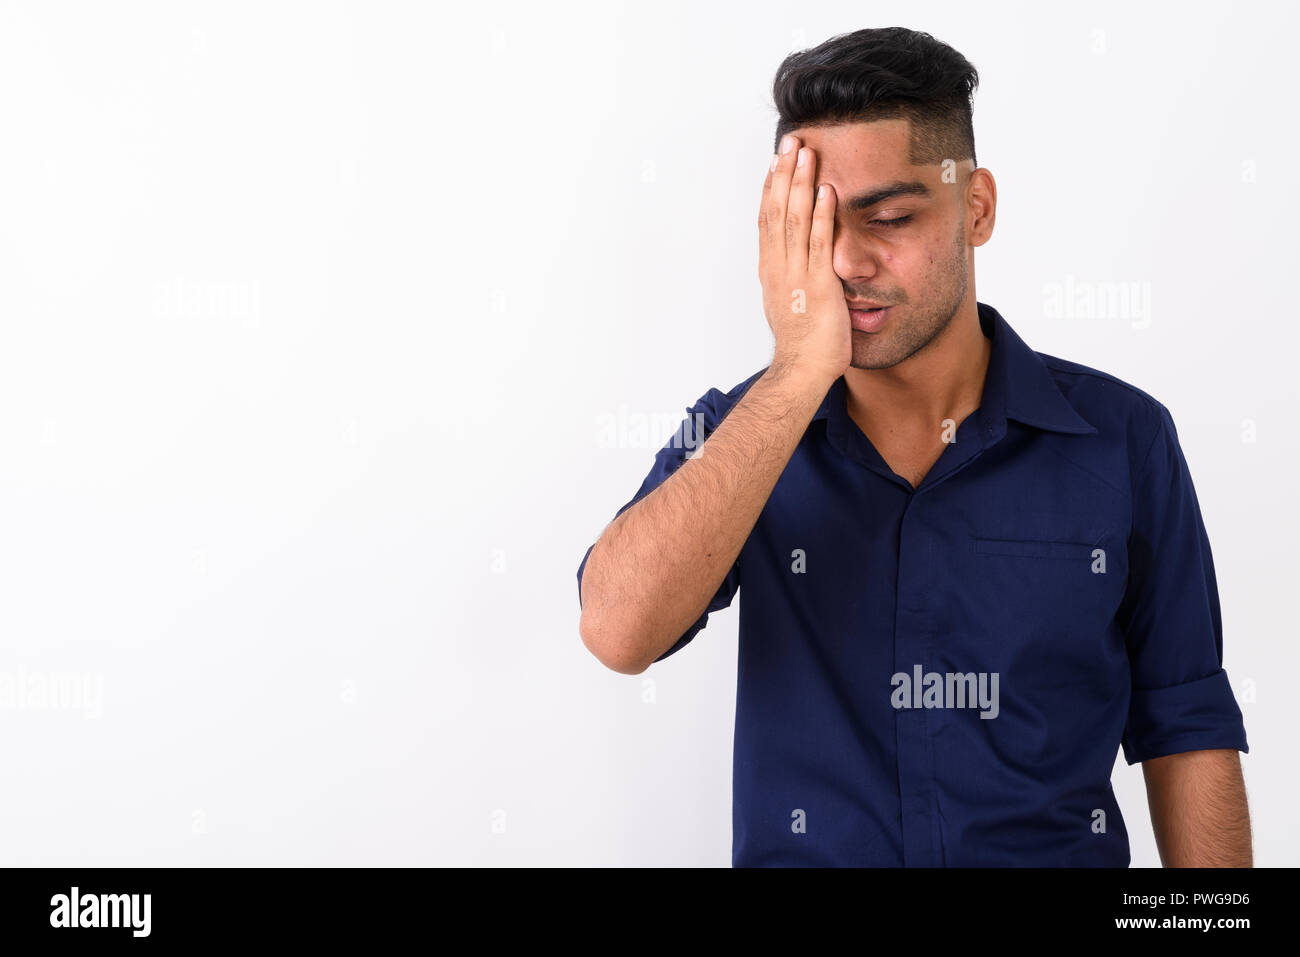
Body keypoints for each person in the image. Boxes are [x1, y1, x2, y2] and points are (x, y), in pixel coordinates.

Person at [576, 26, 1251, 867]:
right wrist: (793, 377)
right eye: (816, 228)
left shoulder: (1123, 439)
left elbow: (1185, 722)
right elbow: (615, 630)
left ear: (975, 209)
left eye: (889, 217)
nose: (850, 262)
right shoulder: (741, 432)